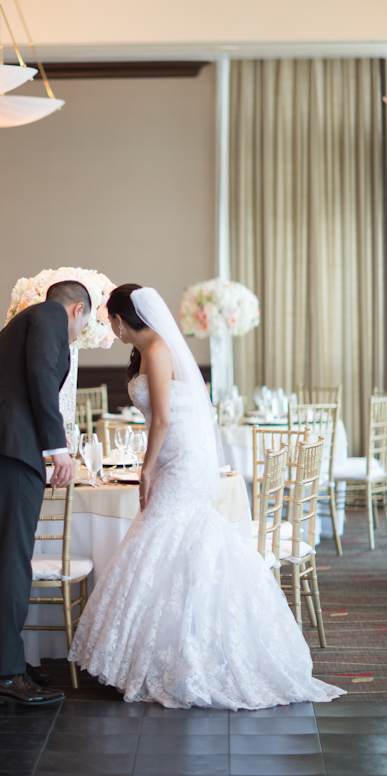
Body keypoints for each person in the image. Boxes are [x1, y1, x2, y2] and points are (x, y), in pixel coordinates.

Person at [68, 284, 345, 709]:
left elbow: (160, 417)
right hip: (174, 450)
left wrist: (146, 468)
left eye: (112, 321)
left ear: (124, 319)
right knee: (168, 537)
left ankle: (187, 655)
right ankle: (158, 652)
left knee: (170, 531)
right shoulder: (147, 351)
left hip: (181, 456)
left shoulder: (158, 349)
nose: (113, 330)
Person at [0, 280, 91, 705]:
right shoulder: (50, 316)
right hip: (12, 448)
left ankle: (4, 663)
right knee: (10, 560)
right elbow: (42, 378)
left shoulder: (23, 321)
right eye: (84, 323)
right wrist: (58, 449)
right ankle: (8, 675)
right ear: (77, 309)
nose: (81, 332)